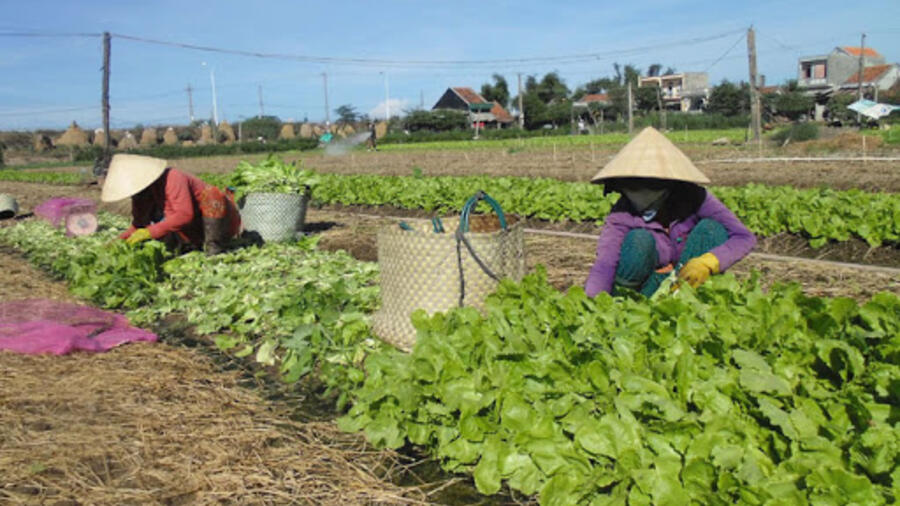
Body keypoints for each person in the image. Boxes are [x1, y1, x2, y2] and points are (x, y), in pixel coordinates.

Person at [585, 127, 755, 297]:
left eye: (648, 186)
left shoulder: (695, 198)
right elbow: (605, 263)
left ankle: (691, 299)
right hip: (646, 287)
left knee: (711, 229)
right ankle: (625, 299)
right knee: (639, 240)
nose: (639, 194)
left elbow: (743, 237)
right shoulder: (622, 213)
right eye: (631, 187)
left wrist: (708, 262)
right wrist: (594, 302)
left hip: (688, 284)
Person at [100, 154, 241, 255]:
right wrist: (119, 241)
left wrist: (150, 231)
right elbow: (139, 225)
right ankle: (192, 245)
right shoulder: (141, 195)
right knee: (165, 231)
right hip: (193, 228)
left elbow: (184, 215)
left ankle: (214, 248)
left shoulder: (173, 178)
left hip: (220, 221)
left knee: (212, 195)